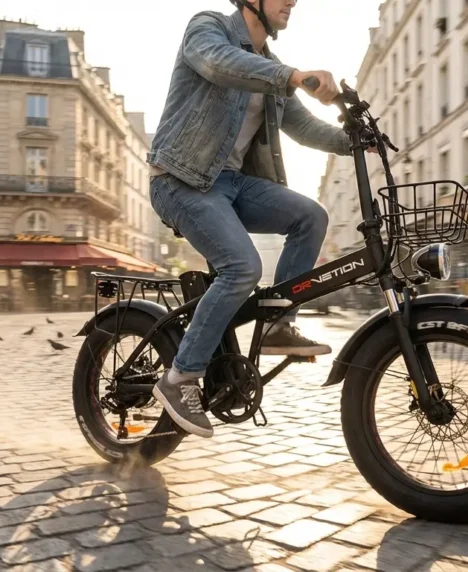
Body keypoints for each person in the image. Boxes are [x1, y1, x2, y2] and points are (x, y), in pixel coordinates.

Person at [147, 0, 359, 438]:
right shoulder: (209, 29)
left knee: (310, 216)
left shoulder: (271, 65)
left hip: (232, 184)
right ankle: (179, 378)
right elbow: (218, 63)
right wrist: (293, 76)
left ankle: (279, 324)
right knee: (243, 266)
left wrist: (353, 139)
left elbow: (302, 126)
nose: (293, 1)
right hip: (181, 179)